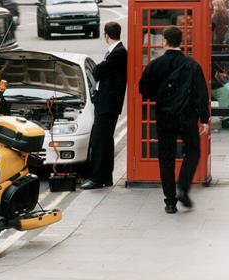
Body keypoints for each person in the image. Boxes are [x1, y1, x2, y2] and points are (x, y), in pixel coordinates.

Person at [139, 26, 210, 214]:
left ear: (165, 41)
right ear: (181, 42)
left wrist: (159, 96)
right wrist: (204, 119)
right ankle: (183, 189)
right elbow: (201, 94)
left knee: (166, 158)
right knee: (193, 151)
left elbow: (144, 90)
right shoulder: (192, 65)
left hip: (164, 116)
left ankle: (170, 202)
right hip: (187, 116)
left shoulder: (155, 65)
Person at [81, 22, 127, 190]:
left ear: (106, 35)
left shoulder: (119, 53)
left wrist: (98, 68)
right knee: (105, 141)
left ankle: (97, 178)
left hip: (109, 105)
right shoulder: (115, 52)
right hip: (106, 103)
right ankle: (106, 177)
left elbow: (98, 71)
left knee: (99, 141)